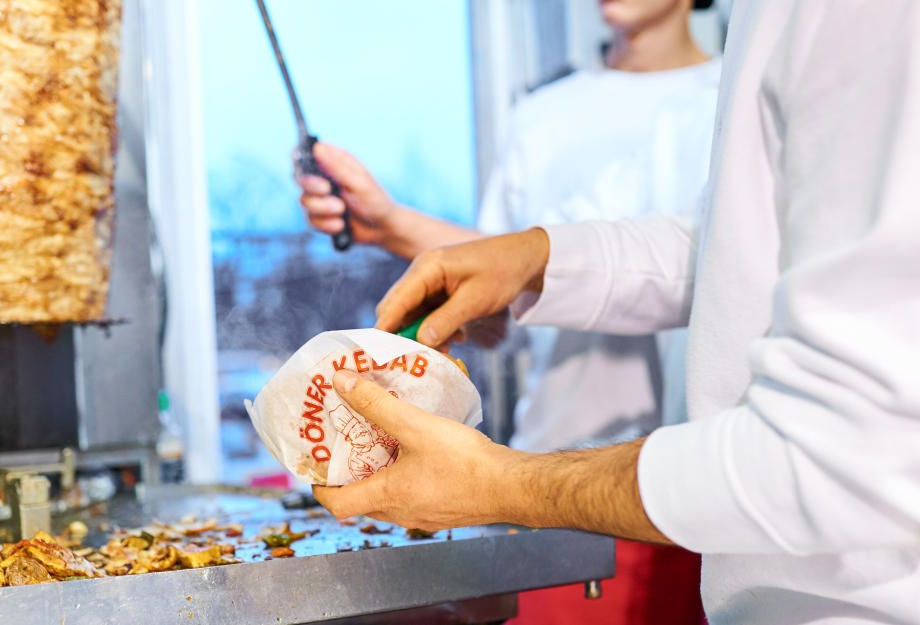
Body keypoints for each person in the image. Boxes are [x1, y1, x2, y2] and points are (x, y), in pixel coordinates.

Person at [313, 1, 920, 623]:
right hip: (709, 526)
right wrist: (539, 256)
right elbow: (733, 246)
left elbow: (850, 445)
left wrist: (504, 483)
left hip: (760, 545)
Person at [297, 0, 717, 621]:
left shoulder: (730, 99)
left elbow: (699, 270)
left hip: (703, 485)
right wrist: (389, 225)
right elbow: (503, 289)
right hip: (549, 482)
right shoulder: (544, 115)